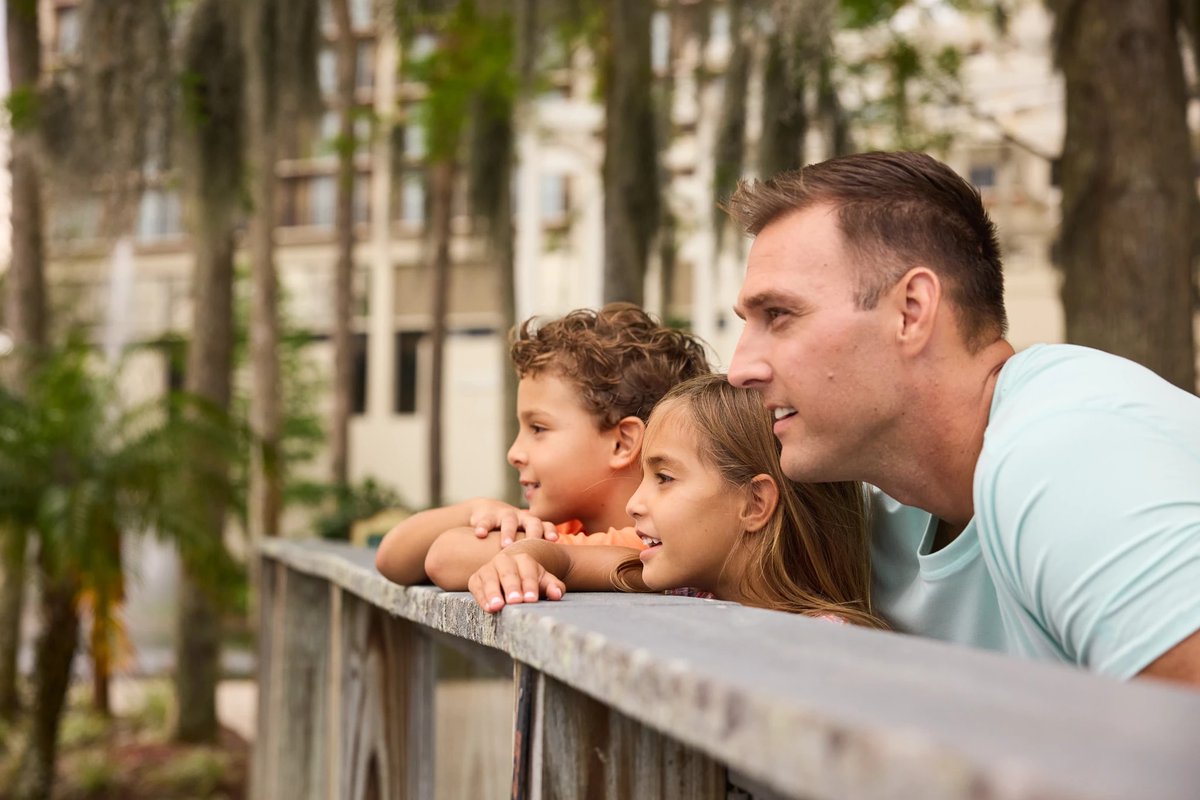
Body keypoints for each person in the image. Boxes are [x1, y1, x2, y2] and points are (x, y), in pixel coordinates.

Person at [724, 150, 1200, 684]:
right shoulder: (881, 511)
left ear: (912, 311)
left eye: (779, 316)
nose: (740, 369)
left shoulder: (1068, 455)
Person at [464, 373, 885, 628]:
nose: (634, 504)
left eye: (664, 477)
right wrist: (523, 558)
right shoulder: (688, 588)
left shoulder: (827, 643)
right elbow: (568, 561)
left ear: (755, 503)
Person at [374, 302, 711, 586]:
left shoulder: (657, 545)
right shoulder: (564, 527)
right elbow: (392, 559)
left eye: (538, 428)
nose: (514, 453)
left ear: (622, 443)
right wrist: (475, 509)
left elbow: (446, 558)